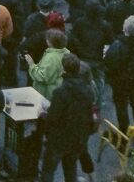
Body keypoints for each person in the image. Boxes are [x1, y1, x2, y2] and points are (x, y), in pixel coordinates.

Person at [40, 54, 95, 182]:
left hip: (59, 139)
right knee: (70, 168)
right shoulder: (89, 90)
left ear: (64, 70)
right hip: (78, 137)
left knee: (48, 170)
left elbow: (53, 117)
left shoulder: (61, 92)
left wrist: (43, 114)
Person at [104, 15, 134, 130]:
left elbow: (109, 65)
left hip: (120, 83)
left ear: (124, 29)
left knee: (121, 106)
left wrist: (112, 80)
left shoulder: (117, 46)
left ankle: (124, 130)